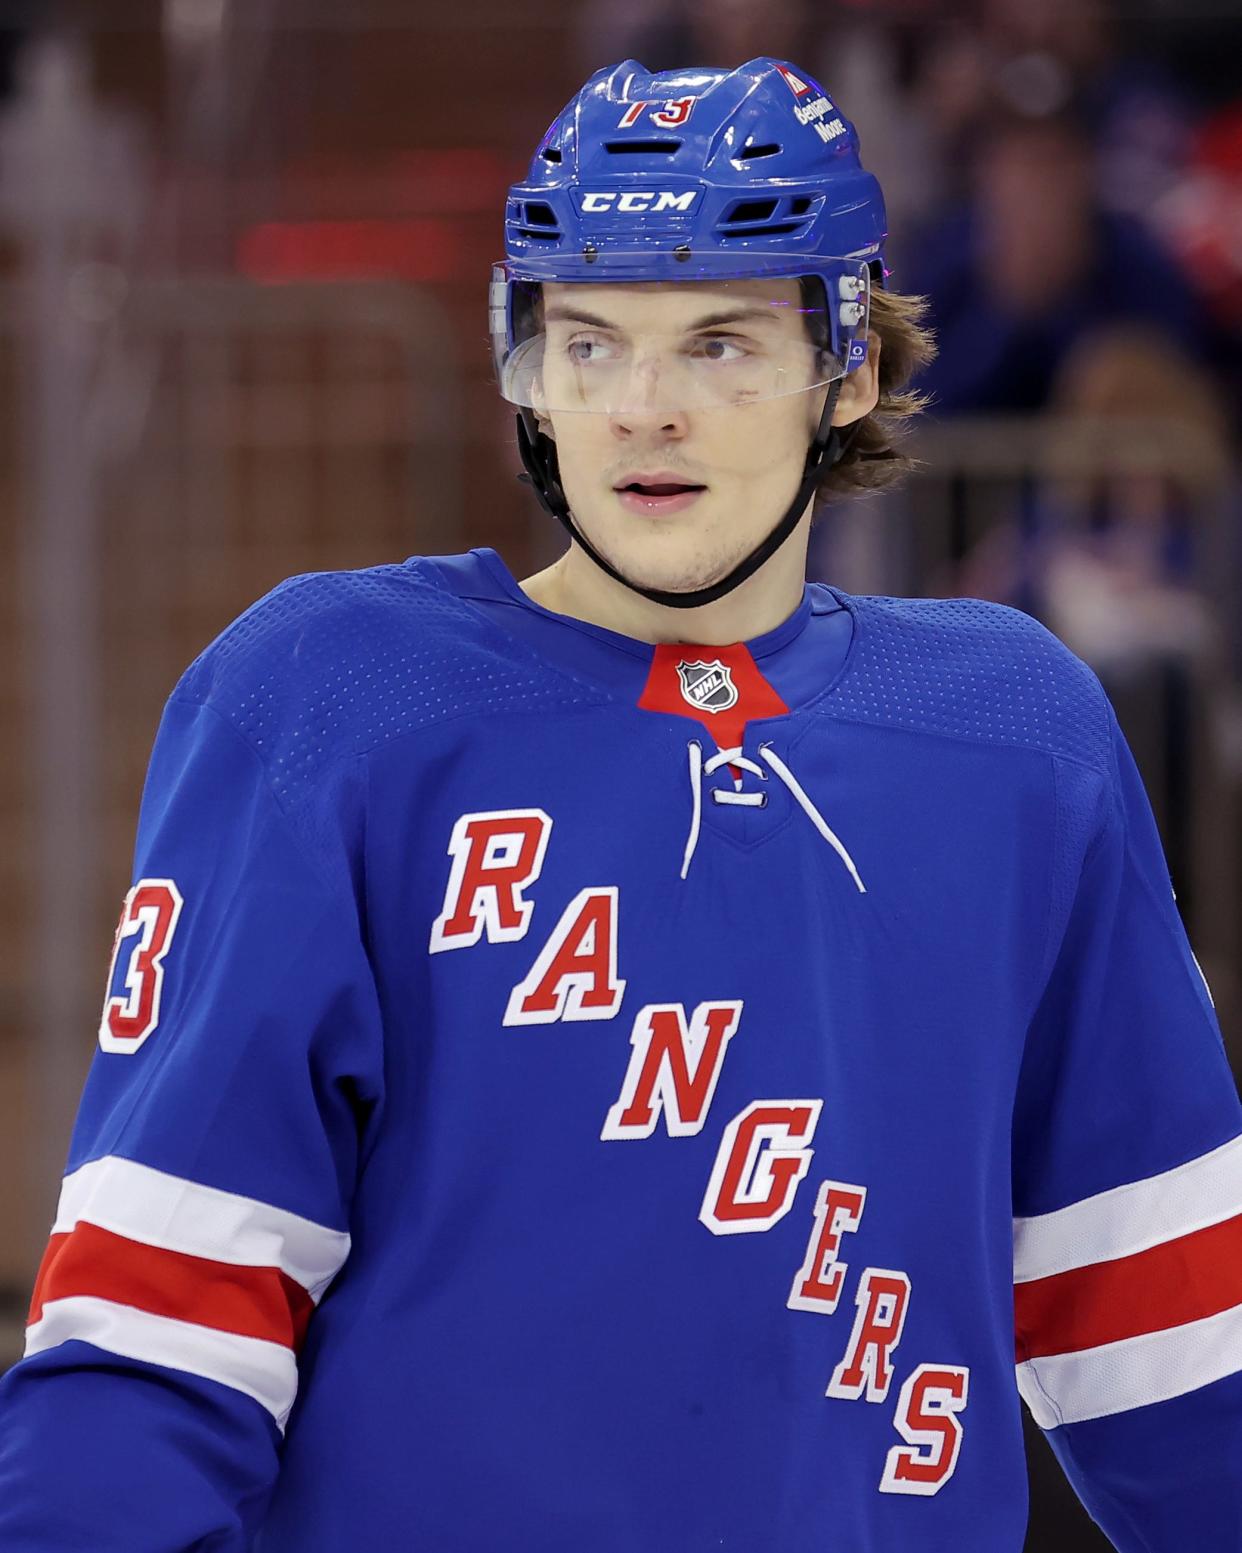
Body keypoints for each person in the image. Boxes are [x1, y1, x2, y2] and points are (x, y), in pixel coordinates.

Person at [1, 56, 1239, 1553]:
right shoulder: (329, 703)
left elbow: (1169, 1348)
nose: (642, 409)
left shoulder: (1013, 730)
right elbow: (153, 1336)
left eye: (717, 343)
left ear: (846, 367)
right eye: (588, 344)